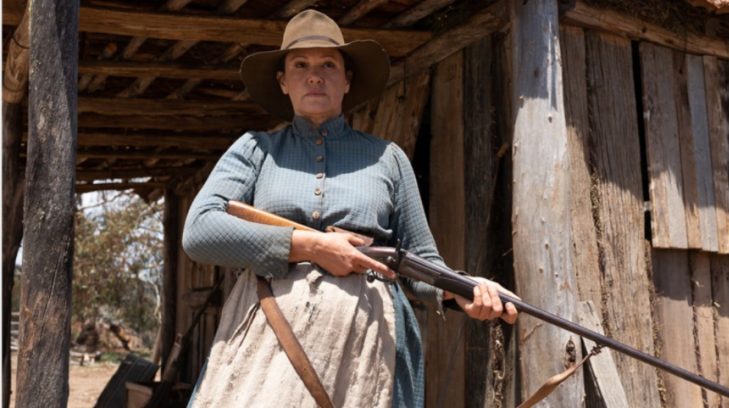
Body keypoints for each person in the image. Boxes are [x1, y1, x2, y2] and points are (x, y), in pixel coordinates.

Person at [182, 9, 518, 408]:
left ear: (346, 80)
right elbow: (199, 231)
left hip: (369, 346)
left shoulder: (388, 159)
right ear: (283, 82)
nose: (314, 75)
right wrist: (310, 246)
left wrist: (463, 290)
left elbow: (422, 262)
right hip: (266, 335)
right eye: (300, 65)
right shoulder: (255, 150)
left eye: (328, 64)